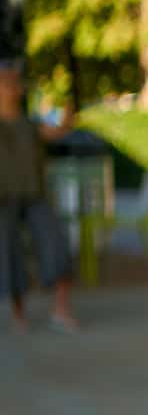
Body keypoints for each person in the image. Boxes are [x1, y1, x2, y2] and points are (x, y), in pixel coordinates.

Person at [0, 59, 80, 334]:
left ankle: (61, 309)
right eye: (6, 82)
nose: (13, 88)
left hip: (35, 194)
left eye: (15, 82)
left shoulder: (29, 124)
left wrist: (68, 118)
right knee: (8, 254)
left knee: (55, 244)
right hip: (4, 199)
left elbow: (56, 131)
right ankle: (17, 314)